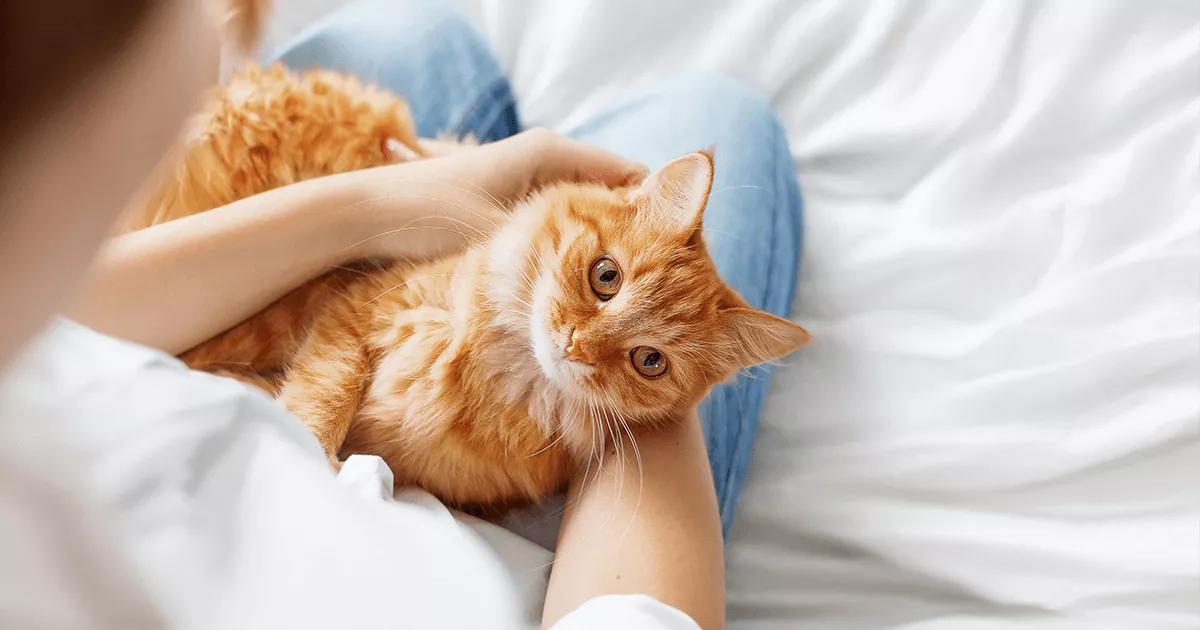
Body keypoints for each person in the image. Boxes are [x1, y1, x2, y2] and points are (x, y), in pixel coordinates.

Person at [0, 0, 802, 628]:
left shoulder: (36, 397)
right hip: (395, 397)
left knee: (417, 34)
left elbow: (59, 315)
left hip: (255, 299)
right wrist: (672, 359)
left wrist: (390, 201)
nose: (587, 344)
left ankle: (467, 167)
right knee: (720, 109)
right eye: (603, 286)